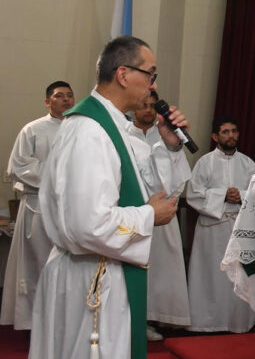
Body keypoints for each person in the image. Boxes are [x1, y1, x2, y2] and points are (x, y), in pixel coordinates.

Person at [29, 36, 190, 359]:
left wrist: (171, 146)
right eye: (150, 74)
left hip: (104, 272)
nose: (152, 84)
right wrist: (148, 216)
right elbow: (89, 223)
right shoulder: (91, 132)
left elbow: (154, 192)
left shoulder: (115, 128)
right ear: (123, 74)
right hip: (90, 278)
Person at [1, 81, 74, 331]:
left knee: (67, 268)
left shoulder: (80, 129)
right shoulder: (33, 129)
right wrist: (58, 177)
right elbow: (19, 166)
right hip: (38, 207)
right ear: (48, 102)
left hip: (71, 208)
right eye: (59, 96)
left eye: (69, 95)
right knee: (38, 265)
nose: (66, 100)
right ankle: (34, 323)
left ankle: (62, 322)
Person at [186, 116, 255, 333]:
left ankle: (239, 320)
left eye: (234, 131)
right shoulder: (204, 162)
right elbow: (193, 194)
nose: (231, 136)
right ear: (215, 136)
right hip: (212, 229)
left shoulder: (248, 163)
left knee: (239, 275)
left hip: (240, 228)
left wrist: (242, 196)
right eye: (226, 132)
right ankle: (207, 322)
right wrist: (222, 196)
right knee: (211, 276)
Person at [128, 90, 191, 337]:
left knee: (159, 272)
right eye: (142, 104)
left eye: (152, 105)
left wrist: (174, 150)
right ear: (133, 107)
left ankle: (154, 318)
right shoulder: (123, 135)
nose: (147, 109)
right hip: (133, 216)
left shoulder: (167, 136)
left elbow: (179, 181)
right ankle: (133, 320)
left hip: (163, 214)